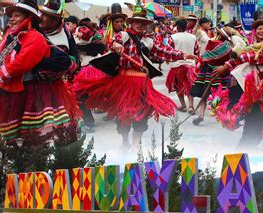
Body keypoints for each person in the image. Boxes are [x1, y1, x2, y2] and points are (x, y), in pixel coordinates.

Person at [75, 1, 196, 147]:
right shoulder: (124, 35)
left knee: (142, 113)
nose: (140, 25)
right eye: (137, 22)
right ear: (131, 23)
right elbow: (115, 40)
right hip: (124, 83)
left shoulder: (148, 41)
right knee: (123, 113)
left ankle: (136, 143)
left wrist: (183, 55)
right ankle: (125, 141)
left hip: (143, 84)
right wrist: (116, 44)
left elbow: (163, 51)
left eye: (143, 23)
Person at [0, 0, 80, 143]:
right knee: (17, 141)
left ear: (29, 18)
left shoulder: (34, 37)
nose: (12, 19)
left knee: (35, 139)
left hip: (32, 94)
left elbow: (23, 62)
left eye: (17, 15)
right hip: (15, 92)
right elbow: (1, 58)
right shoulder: (13, 36)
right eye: (11, 16)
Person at [166, 18, 200, 114]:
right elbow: (197, 51)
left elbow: (168, 51)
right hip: (190, 65)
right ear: (186, 27)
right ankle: (191, 106)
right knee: (190, 86)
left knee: (178, 86)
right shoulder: (193, 37)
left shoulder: (172, 37)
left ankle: (183, 105)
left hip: (177, 65)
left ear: (177, 27)